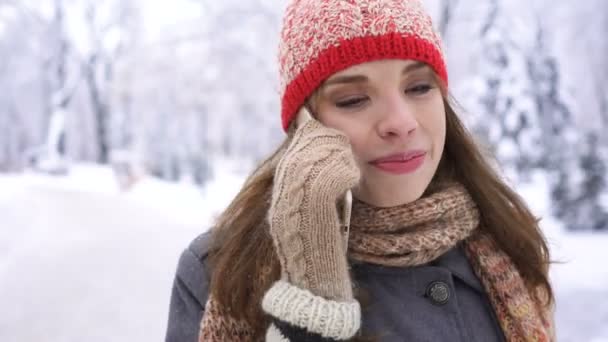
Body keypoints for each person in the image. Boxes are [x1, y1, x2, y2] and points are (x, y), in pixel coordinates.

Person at [165, 0, 556, 341]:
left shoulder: (507, 241)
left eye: (419, 87)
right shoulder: (220, 271)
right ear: (305, 125)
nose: (401, 122)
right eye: (353, 99)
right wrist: (312, 297)